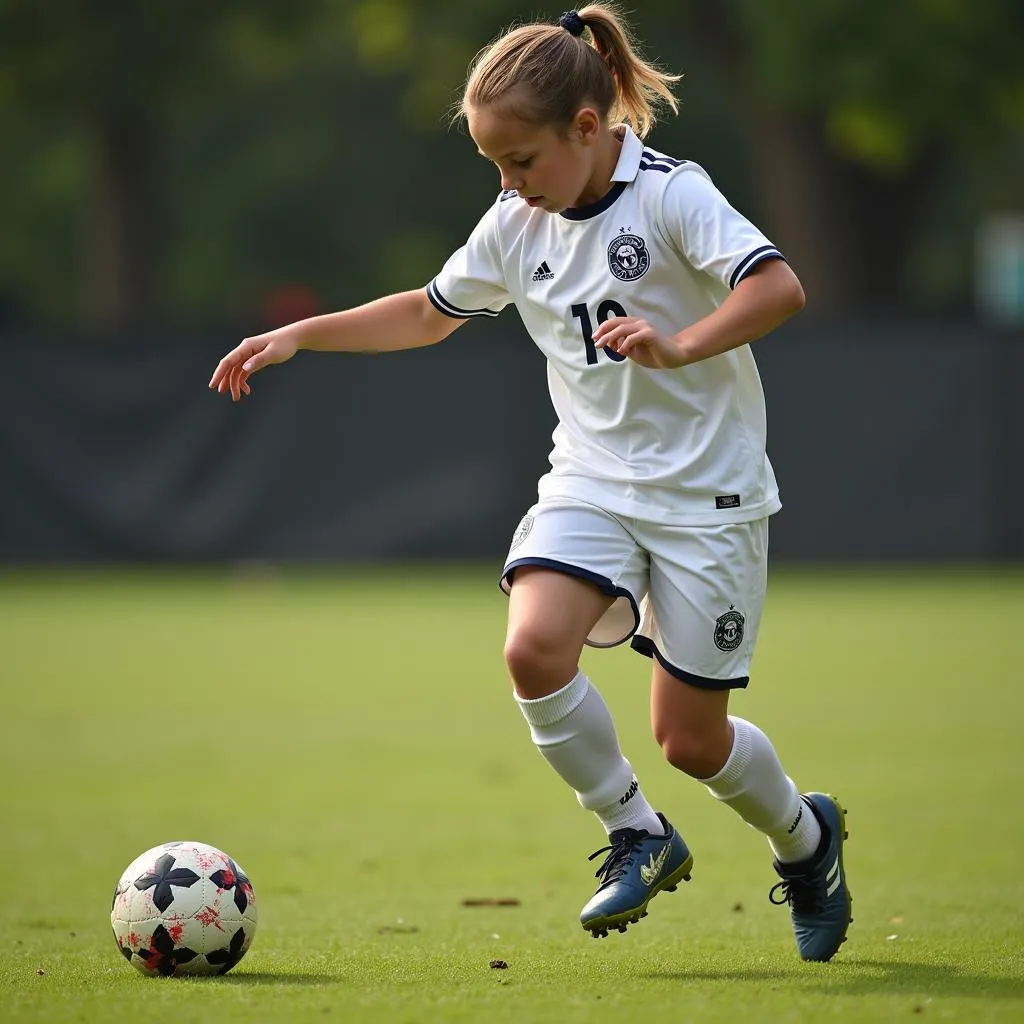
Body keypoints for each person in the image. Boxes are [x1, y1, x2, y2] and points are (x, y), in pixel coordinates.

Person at [209, 4, 852, 962]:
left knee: (690, 740)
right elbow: (429, 313)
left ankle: (807, 841)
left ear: (587, 130)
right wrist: (303, 333)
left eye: (521, 161)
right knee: (533, 649)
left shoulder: (673, 194)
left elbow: (777, 287)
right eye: (494, 166)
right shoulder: (520, 221)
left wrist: (681, 343)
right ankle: (634, 832)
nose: (508, 185)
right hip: (591, 482)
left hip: (708, 497)